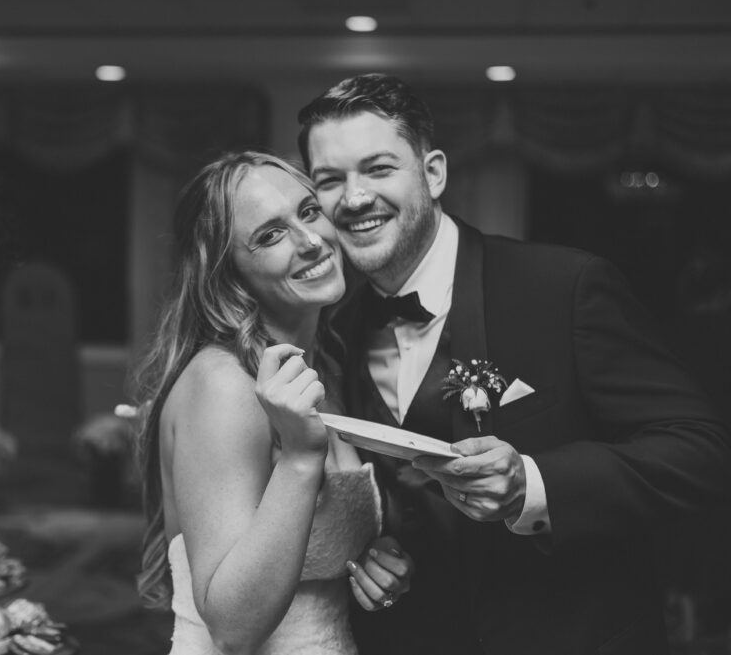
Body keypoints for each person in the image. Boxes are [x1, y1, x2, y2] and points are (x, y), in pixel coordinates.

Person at [295, 74, 731, 655]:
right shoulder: (338, 327)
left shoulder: (563, 286)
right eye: (330, 180)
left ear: (433, 173)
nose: (353, 198)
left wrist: (535, 484)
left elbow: (701, 450)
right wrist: (370, 557)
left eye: (378, 169)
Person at [132, 151, 414, 655]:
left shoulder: (324, 365)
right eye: (270, 235)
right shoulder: (224, 385)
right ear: (227, 273)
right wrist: (302, 458)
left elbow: (307, 558)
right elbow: (232, 630)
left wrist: (375, 566)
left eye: (308, 212)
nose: (311, 242)